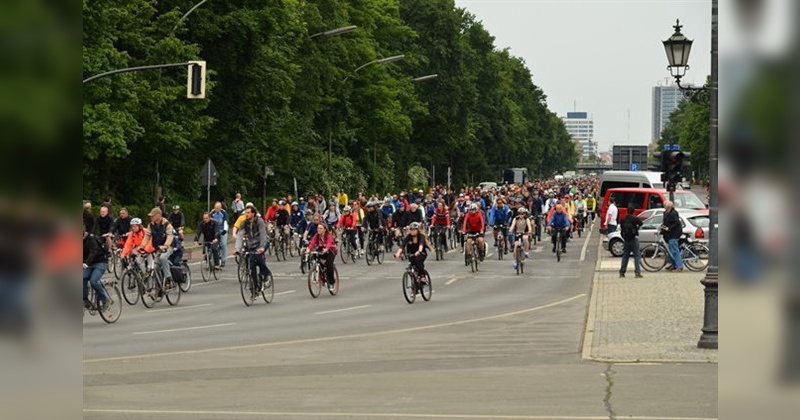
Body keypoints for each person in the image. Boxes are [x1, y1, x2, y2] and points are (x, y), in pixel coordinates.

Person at [238, 205, 272, 298]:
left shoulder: (259, 221)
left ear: (253, 213)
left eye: (248, 213)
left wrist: (262, 247)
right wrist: (238, 249)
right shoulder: (244, 223)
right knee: (251, 267)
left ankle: (266, 276)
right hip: (251, 245)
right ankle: (255, 290)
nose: (246, 214)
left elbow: (263, 234)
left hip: (261, 243)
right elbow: (240, 235)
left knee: (260, 259)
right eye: (245, 212)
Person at [138, 207, 175, 287]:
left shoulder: (167, 224)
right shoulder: (150, 225)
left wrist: (165, 246)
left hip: (168, 247)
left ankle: (169, 279)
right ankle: (160, 287)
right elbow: (147, 237)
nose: (151, 217)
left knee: (163, 258)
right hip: (157, 248)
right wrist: (142, 246)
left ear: (158, 215)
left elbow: (170, 236)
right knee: (155, 267)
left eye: (152, 216)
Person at [307, 223, 338, 291]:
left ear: (324, 229)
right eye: (318, 228)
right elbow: (312, 242)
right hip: (321, 250)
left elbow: (329, 243)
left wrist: (326, 249)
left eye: (321, 228)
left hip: (330, 250)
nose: (319, 230)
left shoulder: (328, 236)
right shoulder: (317, 236)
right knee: (316, 260)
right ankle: (319, 273)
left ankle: (331, 283)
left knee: (329, 265)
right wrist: (308, 249)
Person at [83, 231, 110, 310]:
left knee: (94, 281)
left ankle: (105, 300)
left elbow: (93, 251)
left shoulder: (91, 239)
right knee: (82, 278)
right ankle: (85, 299)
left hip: (100, 262)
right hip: (88, 264)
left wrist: (86, 263)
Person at [619, 206, 644, 278]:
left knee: (625, 256)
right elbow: (641, 223)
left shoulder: (623, 219)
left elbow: (621, 227)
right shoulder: (635, 218)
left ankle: (622, 272)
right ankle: (637, 272)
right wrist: (636, 228)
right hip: (634, 238)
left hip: (626, 239)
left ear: (627, 211)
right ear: (633, 212)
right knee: (636, 256)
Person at [661, 200, 684, 272]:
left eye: (665, 206)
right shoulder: (666, 213)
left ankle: (679, 266)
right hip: (669, 234)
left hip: (674, 234)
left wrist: (669, 228)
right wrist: (662, 228)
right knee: (670, 250)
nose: (664, 207)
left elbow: (676, 223)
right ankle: (674, 265)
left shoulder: (673, 213)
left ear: (668, 207)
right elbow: (665, 223)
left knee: (674, 251)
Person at [211, 202, 229, 267]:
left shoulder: (224, 213)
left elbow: (226, 222)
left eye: (218, 208)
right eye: (215, 208)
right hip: (215, 230)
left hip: (222, 229)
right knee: (211, 243)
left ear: (220, 208)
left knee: (223, 244)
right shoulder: (212, 213)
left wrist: (225, 230)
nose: (216, 209)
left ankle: (223, 260)